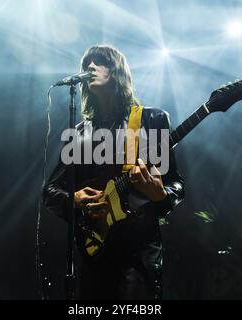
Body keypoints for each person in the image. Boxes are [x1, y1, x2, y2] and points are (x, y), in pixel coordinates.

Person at [43, 45, 185, 299]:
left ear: (118, 71)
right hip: (93, 252)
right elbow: (51, 191)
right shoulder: (79, 133)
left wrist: (159, 194)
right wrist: (74, 200)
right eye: (87, 62)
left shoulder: (150, 120)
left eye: (100, 62)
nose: (90, 67)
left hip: (137, 253)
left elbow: (176, 183)